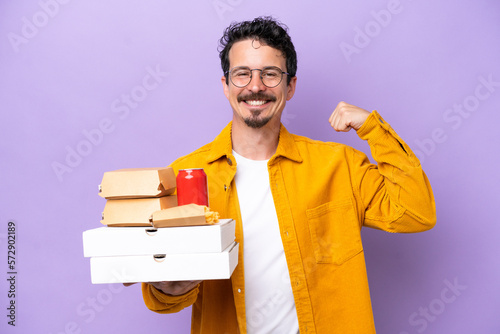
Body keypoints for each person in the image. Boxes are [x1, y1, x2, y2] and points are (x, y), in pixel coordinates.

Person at [140, 16, 436, 333]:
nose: (256, 86)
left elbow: (416, 212)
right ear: (226, 86)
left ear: (290, 86)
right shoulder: (185, 175)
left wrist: (372, 128)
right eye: (242, 75)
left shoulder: (338, 165)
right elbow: (160, 300)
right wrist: (170, 286)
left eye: (270, 75)